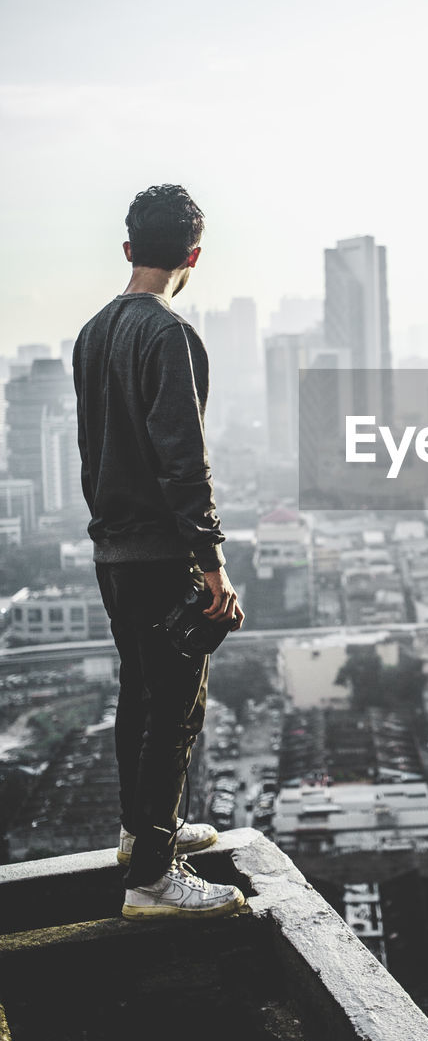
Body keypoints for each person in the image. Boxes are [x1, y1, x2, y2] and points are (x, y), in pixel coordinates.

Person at [73, 184, 246, 919]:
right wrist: (212, 565)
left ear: (128, 249)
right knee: (175, 709)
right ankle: (152, 878)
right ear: (193, 257)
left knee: (138, 697)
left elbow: (95, 450)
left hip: (112, 552)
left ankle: (141, 832)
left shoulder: (93, 331)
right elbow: (183, 457)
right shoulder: (165, 332)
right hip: (158, 555)